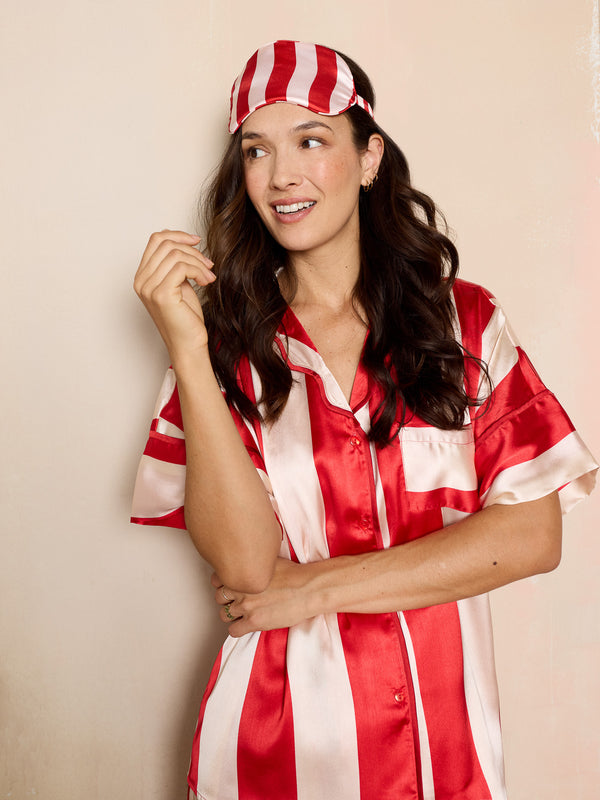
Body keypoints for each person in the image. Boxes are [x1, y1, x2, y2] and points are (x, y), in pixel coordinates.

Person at [131, 40, 597, 800]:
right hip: (277, 751)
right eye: (256, 151)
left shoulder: (463, 322)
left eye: (311, 140)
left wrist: (311, 589)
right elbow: (246, 571)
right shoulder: (222, 345)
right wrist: (187, 346)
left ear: (370, 156)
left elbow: (530, 536)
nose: (281, 175)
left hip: (449, 752)